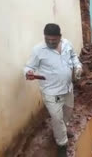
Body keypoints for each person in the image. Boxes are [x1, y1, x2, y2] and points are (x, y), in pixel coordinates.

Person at [24, 23, 82, 157]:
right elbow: (28, 67)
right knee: (56, 118)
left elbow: (74, 57)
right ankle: (62, 145)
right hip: (51, 92)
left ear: (60, 37)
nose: (50, 42)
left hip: (68, 89)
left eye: (53, 40)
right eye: (47, 39)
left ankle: (62, 129)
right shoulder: (38, 50)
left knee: (67, 113)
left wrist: (78, 66)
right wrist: (28, 73)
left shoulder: (67, 44)